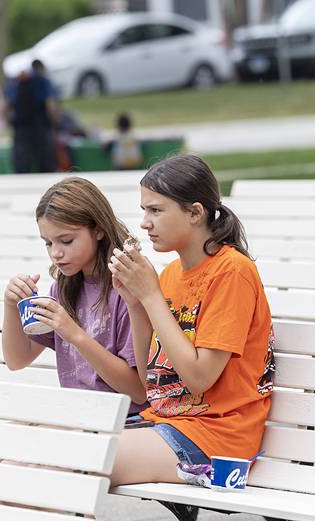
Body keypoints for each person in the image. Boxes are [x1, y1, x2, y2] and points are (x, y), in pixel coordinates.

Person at [107, 154, 275, 486]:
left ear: (195, 213)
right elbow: (149, 384)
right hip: (166, 422)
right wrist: (137, 304)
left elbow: (200, 377)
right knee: (45, 444)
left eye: (155, 210)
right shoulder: (171, 274)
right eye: (144, 210)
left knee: (81, 457)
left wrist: (152, 296)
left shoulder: (232, 272)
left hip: (216, 438)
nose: (144, 222)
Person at [2, 177, 147, 413]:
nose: (56, 253)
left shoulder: (126, 288)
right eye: (48, 243)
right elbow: (17, 360)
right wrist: (11, 305)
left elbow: (138, 392)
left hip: (124, 421)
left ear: (98, 229)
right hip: (76, 416)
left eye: (66, 241)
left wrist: (74, 334)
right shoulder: (63, 289)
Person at [7, 59, 59, 173]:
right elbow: (50, 105)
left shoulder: (17, 82)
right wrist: (54, 124)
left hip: (21, 128)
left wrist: (11, 123)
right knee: (46, 165)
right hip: (41, 127)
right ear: (41, 67)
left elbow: (6, 107)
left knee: (22, 166)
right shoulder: (44, 82)